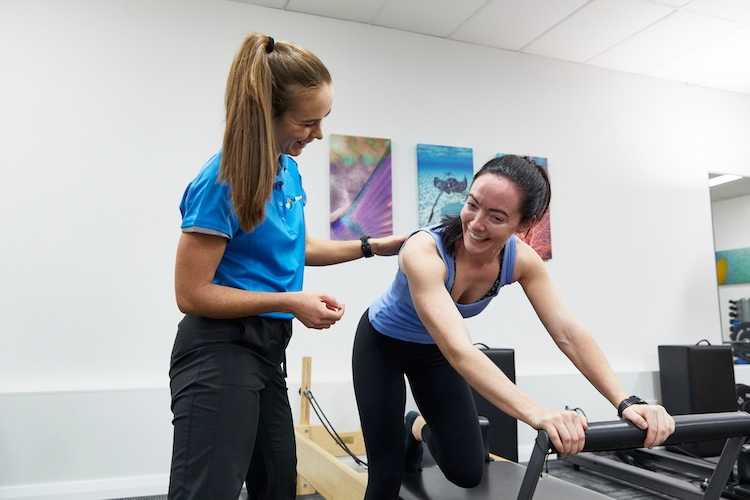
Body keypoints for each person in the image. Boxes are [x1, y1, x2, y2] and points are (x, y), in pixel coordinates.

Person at [352, 154, 675, 498]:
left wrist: (626, 402)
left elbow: (568, 331)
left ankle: (414, 426)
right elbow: (460, 350)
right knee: (385, 477)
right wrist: (537, 413)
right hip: (382, 346)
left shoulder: (520, 260)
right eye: (472, 205)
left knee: (467, 471)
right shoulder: (423, 250)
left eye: (496, 217)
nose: (476, 224)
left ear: (525, 223)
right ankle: (403, 437)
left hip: (433, 352)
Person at [168, 33, 403, 500]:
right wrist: (291, 301)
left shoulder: (286, 170)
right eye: (307, 121)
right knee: (207, 491)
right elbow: (191, 293)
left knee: (277, 482)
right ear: (264, 114)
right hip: (219, 351)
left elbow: (297, 246)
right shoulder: (222, 181)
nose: (317, 134)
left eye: (324, 120)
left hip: (267, 353)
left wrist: (371, 247)